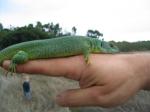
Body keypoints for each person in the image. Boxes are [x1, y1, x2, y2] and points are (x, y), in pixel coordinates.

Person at [2, 53, 150, 107]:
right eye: (110, 47)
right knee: (23, 61)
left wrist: (141, 70)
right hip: (21, 53)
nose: (113, 49)